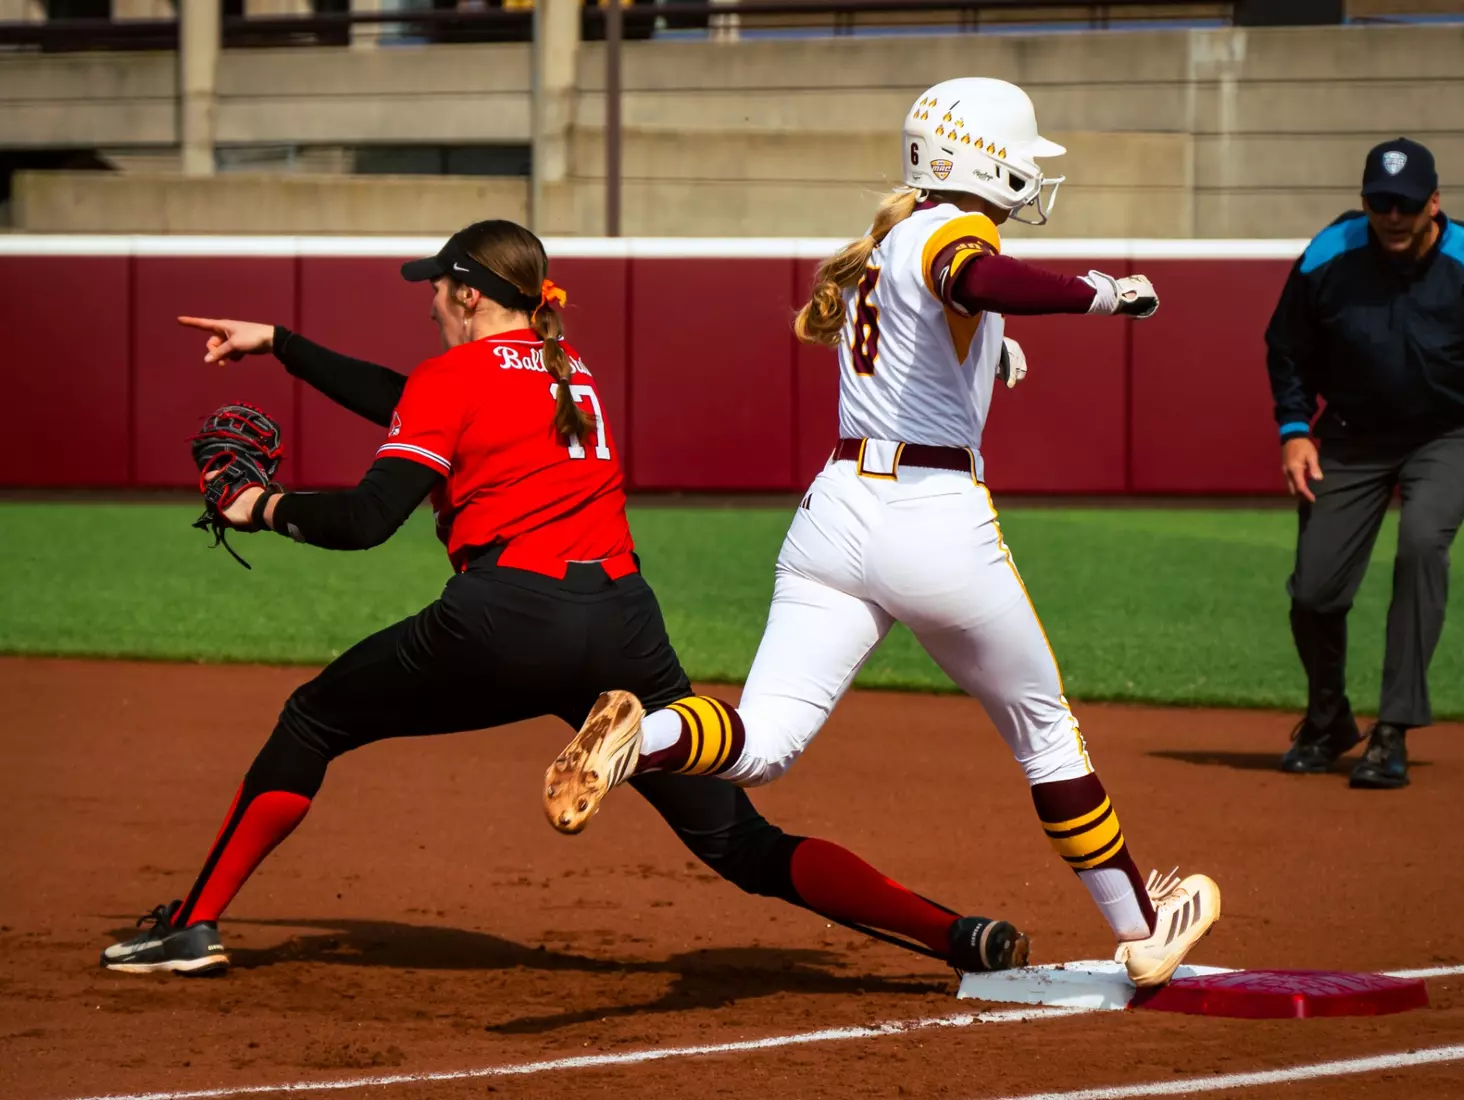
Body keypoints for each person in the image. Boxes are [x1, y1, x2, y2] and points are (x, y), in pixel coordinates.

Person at [100, 219, 1030, 976]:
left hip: (506, 623)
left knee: (312, 721)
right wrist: (287, 347)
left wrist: (253, 504)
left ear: (468, 293)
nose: (428, 303)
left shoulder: (453, 377)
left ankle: (193, 925)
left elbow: (366, 518)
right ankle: (956, 936)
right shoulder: (564, 367)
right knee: (742, 843)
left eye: (435, 287)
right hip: (623, 626)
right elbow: (413, 398)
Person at [541, 79, 1222, 990]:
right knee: (1048, 737)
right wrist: (1097, 295)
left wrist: (988, 349)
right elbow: (975, 276)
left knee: (767, 740)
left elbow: (939, 315)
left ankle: (647, 738)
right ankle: (1141, 932)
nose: (1032, 170)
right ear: (987, 158)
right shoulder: (951, 233)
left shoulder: (891, 236)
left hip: (835, 512)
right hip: (930, 515)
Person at [1266, 138, 1464, 789]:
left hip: (1449, 434)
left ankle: (1392, 730)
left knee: (1423, 545)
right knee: (1314, 591)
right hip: (1351, 434)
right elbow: (1286, 348)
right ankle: (1329, 718)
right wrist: (1293, 429)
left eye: (1407, 203)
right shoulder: (1329, 255)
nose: (1392, 216)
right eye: (1379, 203)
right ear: (1364, 201)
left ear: (1435, 202)